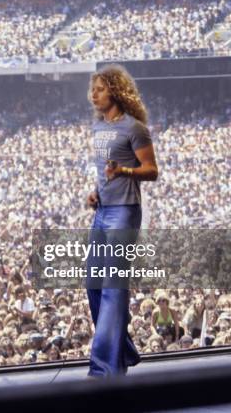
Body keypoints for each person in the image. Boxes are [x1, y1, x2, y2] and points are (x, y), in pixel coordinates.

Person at [84, 64, 158, 378]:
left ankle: (103, 368)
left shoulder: (134, 128)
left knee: (114, 287)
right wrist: (95, 192)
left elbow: (151, 170)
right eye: (93, 89)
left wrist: (124, 172)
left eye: (100, 89)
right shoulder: (99, 127)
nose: (94, 95)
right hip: (103, 210)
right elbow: (106, 172)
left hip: (125, 211)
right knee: (93, 283)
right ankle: (122, 349)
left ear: (115, 90)